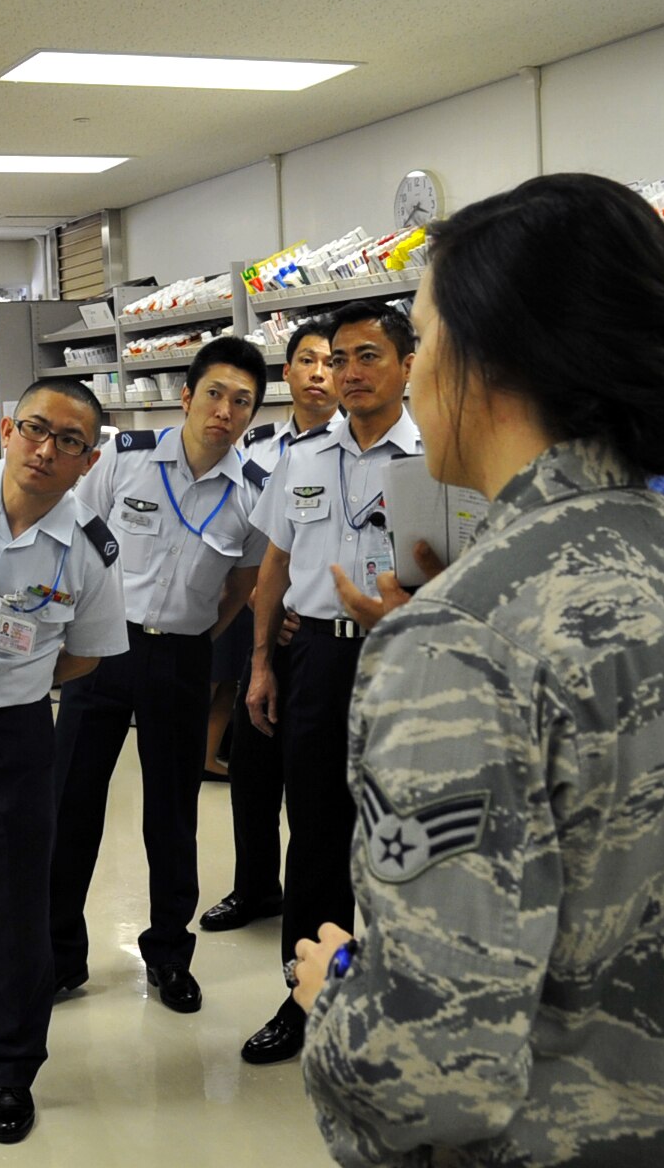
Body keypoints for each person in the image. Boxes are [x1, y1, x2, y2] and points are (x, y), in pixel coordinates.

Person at [297, 173, 664, 1167]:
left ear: (489, 358)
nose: (413, 377)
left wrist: (335, 981)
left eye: (422, 341)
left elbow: (428, 1071)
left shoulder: (459, 636)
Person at [50, 336, 271, 1013]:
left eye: (242, 402)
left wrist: (199, 631)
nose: (225, 412)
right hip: (103, 649)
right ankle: (59, 956)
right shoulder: (125, 458)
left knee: (172, 817)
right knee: (71, 806)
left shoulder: (253, 492)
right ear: (187, 396)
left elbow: (242, 581)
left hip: (180, 656)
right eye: (215, 394)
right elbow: (77, 529)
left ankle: (169, 955)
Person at [0, 378, 128, 1144]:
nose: (45, 451)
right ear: (9, 429)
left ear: (89, 461)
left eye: (69, 442)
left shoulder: (88, 547)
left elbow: (85, 655)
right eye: (35, 429)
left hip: (12, 737)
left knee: (18, 913)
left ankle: (9, 1071)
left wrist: (15, 685)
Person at [240, 300, 417, 1067]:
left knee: (408, 833)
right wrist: (258, 662)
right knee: (313, 834)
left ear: (407, 364)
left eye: (367, 356)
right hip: (314, 658)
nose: (348, 373)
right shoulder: (302, 457)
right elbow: (274, 566)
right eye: (339, 358)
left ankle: (406, 1000)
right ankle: (305, 998)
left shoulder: (436, 455)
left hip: (406, 661)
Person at [200, 320, 342, 936]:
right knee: (252, 772)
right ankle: (256, 886)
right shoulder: (257, 450)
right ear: (286, 374)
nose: (318, 373)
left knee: (313, 785)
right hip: (262, 629)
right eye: (305, 360)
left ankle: (319, 910)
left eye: (329, 362)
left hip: (316, 634)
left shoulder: (359, 447)